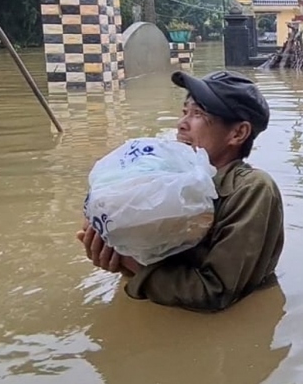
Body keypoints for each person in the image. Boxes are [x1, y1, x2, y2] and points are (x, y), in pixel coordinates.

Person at [76, 70, 285, 313]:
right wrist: (114, 247)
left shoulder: (252, 189)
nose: (181, 124)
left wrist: (130, 264)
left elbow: (214, 293)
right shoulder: (167, 181)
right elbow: (149, 257)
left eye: (198, 114)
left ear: (238, 133)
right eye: (184, 112)